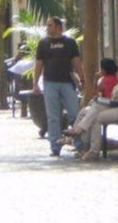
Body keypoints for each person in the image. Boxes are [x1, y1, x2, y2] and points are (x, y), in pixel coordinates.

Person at [32, 17, 84, 157]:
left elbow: (76, 61)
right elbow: (38, 64)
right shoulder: (43, 43)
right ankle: (55, 146)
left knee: (75, 114)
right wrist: (35, 83)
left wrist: (82, 78)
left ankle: (79, 144)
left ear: (58, 27)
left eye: (50, 25)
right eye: (47, 25)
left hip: (67, 83)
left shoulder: (69, 43)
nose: (47, 28)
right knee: (53, 116)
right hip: (50, 83)